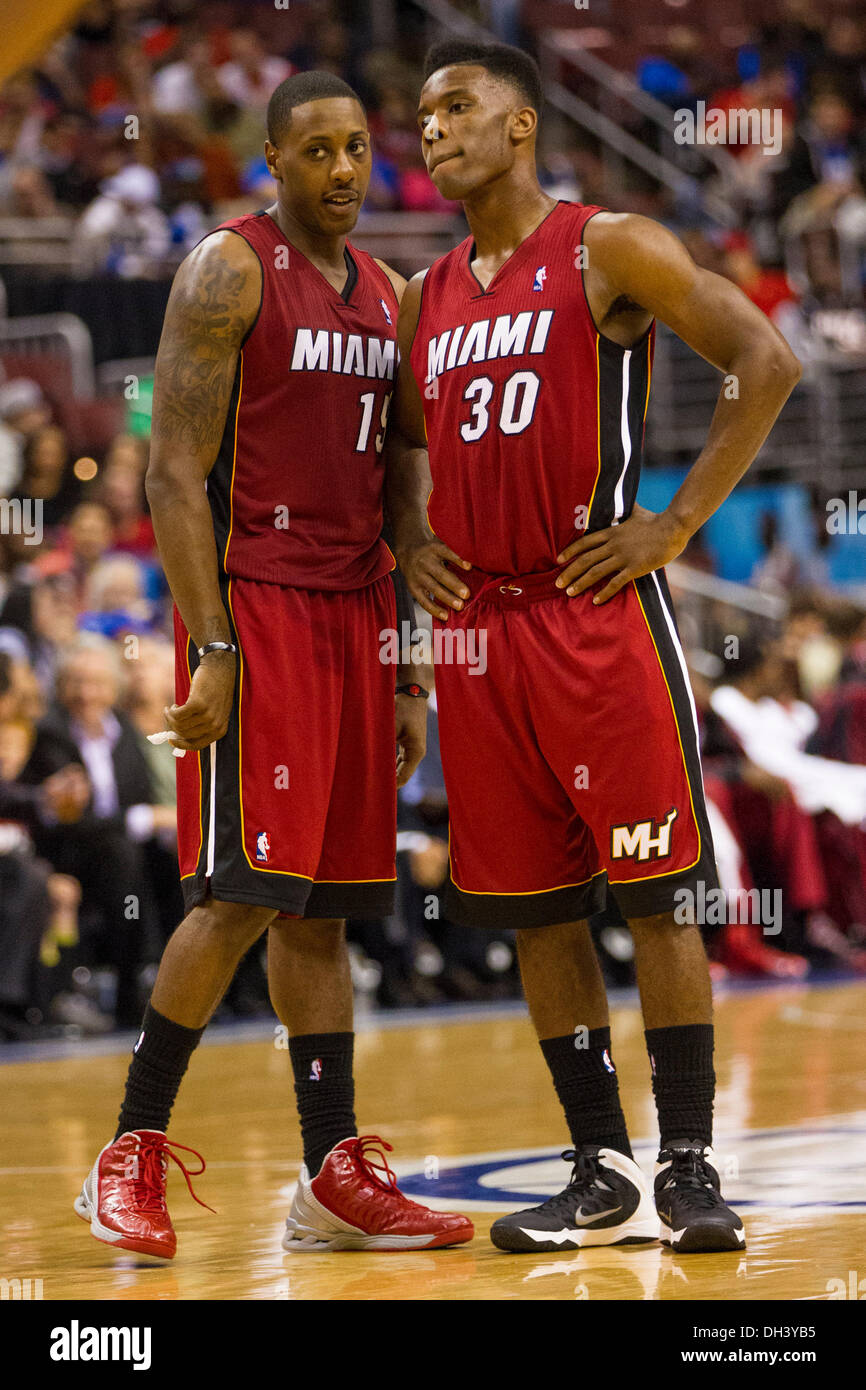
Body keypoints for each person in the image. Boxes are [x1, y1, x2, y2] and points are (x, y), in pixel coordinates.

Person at [386, 39, 802, 1255]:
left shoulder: (603, 245)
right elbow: (400, 445)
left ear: (520, 126)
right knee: (534, 914)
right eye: (421, 115)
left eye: (457, 108)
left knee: (658, 896)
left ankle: (684, 1162)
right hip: (477, 632)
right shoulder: (427, 297)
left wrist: (672, 523)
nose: (433, 130)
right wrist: (411, 539)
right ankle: (595, 1164)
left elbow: (762, 361)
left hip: (591, 607)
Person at [73, 70, 472, 1261]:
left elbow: (403, 480)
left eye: (358, 149)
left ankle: (331, 1172)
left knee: (327, 913)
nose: (344, 170)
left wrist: (407, 669)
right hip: (262, 606)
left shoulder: (392, 298)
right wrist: (209, 646)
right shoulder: (228, 269)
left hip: (358, 620)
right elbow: (169, 475)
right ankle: (131, 1148)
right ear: (272, 163)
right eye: (317, 152)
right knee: (242, 891)